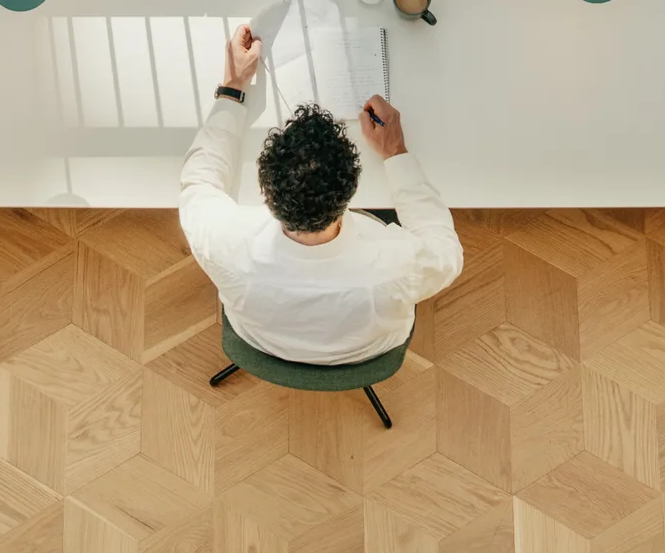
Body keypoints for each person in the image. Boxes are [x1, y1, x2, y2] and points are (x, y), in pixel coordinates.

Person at [178, 24, 463, 365]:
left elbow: (199, 181)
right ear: (350, 192)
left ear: (266, 190)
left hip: (263, 342)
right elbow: (447, 252)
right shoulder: (398, 264)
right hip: (365, 349)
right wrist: (396, 151)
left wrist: (232, 87)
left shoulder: (224, 241)